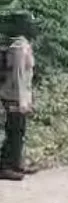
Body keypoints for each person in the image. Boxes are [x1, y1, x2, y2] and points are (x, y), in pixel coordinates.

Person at [0, 11, 36, 181]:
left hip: (15, 93)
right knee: (14, 130)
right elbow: (19, 75)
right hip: (14, 95)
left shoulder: (18, 44)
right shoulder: (19, 47)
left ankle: (16, 163)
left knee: (19, 130)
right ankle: (5, 166)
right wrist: (23, 101)